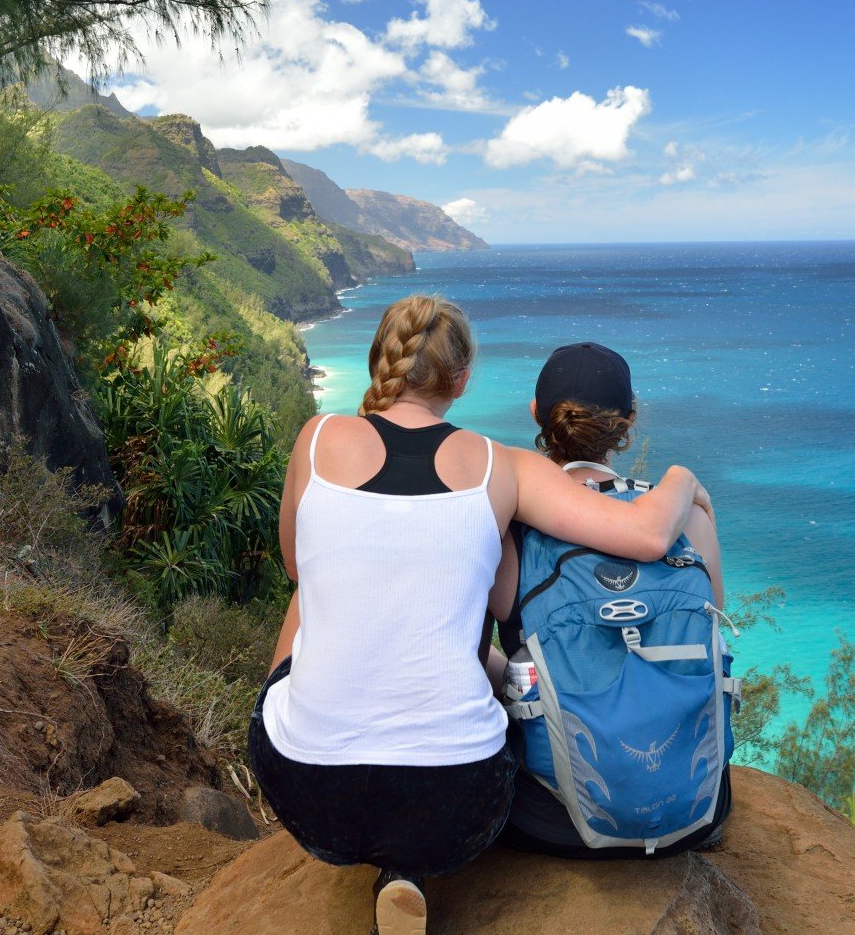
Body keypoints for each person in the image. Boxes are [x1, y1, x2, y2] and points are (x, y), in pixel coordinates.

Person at [250, 296, 712, 935]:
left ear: (380, 359)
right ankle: (407, 867)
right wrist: (685, 479)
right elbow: (648, 535)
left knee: (312, 589)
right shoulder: (501, 467)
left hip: (311, 792)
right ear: (462, 381)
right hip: (461, 802)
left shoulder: (319, 436)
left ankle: (369, 817)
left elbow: (298, 570)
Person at [489, 341, 730, 860]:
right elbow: (716, 641)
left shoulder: (512, 529)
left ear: (536, 414)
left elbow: (476, 650)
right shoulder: (687, 519)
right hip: (693, 811)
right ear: (630, 421)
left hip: (553, 822)